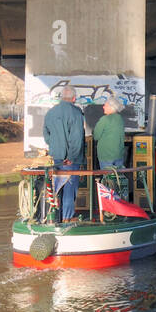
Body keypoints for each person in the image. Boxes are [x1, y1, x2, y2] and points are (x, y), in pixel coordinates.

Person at [43, 85, 86, 223]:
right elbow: (77, 138)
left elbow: (46, 134)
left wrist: (55, 147)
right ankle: (67, 217)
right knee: (69, 188)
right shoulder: (76, 113)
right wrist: (72, 157)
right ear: (74, 98)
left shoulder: (51, 112)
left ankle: (55, 217)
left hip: (57, 157)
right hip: (70, 160)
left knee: (57, 186)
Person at [94, 96, 126, 170]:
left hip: (106, 155)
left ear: (111, 107)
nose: (103, 107)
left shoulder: (104, 119)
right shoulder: (120, 119)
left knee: (108, 180)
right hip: (119, 155)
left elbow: (96, 136)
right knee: (118, 179)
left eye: (105, 105)